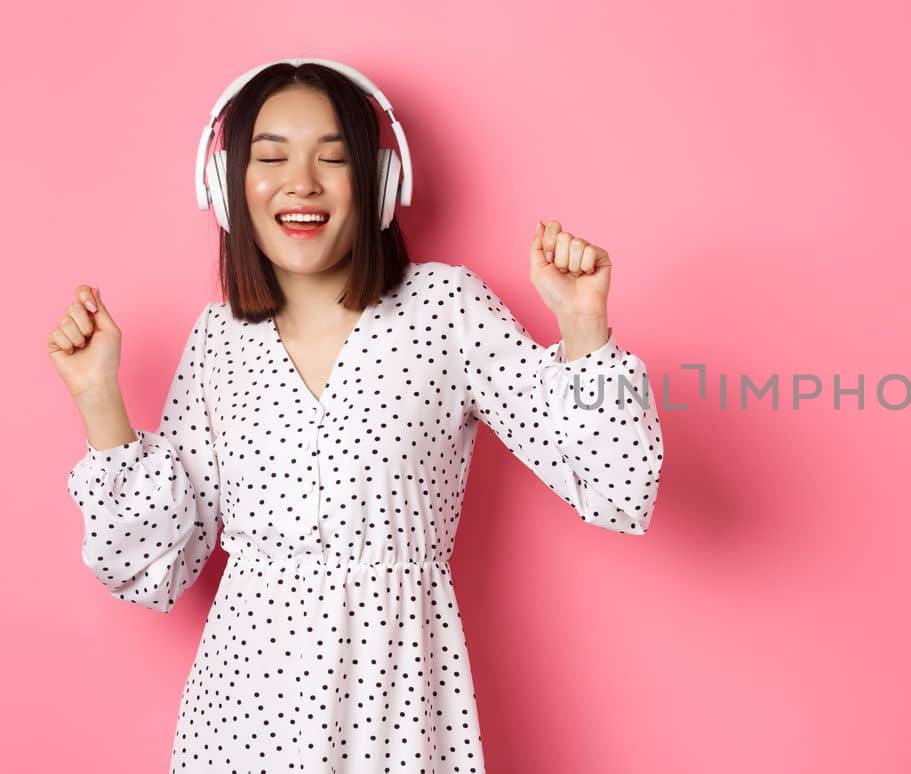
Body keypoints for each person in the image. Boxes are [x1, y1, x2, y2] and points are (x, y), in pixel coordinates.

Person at [46, 61, 664, 772]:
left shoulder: (445, 309)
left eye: (332, 158)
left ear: (378, 183)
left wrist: (584, 324)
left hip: (393, 709)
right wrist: (99, 398)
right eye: (271, 157)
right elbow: (153, 569)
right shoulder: (218, 340)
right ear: (225, 187)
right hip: (238, 723)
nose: (301, 182)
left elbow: (619, 485)